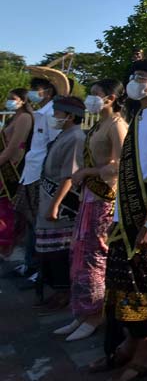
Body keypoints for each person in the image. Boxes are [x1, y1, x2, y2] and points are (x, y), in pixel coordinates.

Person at [92, 59, 147, 379]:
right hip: (124, 214)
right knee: (119, 285)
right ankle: (128, 345)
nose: (134, 82)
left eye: (141, 77)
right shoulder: (139, 114)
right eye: (134, 77)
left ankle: (144, 354)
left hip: (146, 218)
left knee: (140, 287)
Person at [55, 80, 127, 342]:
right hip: (89, 196)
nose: (90, 99)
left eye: (95, 95)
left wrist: (87, 172)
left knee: (95, 257)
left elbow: (120, 165)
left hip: (105, 198)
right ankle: (82, 312)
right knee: (80, 253)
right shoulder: (98, 122)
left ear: (110, 98)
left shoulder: (117, 125)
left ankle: (96, 314)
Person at [12, 68, 68, 282]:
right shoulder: (41, 112)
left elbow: (54, 144)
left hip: (42, 175)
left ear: (48, 91)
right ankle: (28, 263)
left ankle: (38, 268)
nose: (33, 93)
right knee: (28, 220)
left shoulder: (53, 113)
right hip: (31, 171)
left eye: (37, 89)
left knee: (38, 224)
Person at [35, 96, 86, 312]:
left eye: (57, 113)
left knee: (58, 253)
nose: (54, 117)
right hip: (48, 196)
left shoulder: (75, 137)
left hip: (62, 204)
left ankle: (64, 292)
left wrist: (55, 205)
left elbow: (69, 176)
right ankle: (57, 291)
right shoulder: (64, 134)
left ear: (70, 116)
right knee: (48, 252)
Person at [0, 89, 33, 257]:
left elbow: (14, 146)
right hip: (6, 163)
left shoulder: (25, 117)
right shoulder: (14, 117)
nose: (9, 101)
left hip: (13, 165)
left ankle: (7, 247)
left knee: (7, 208)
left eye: (12, 99)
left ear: (23, 100)